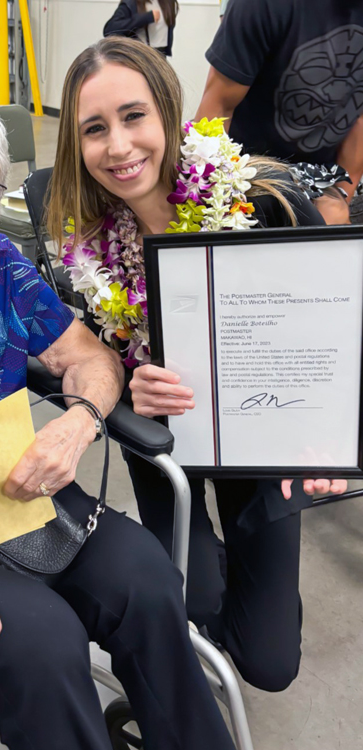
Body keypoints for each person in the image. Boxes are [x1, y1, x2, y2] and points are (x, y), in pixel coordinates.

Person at [0, 100, 236, 750]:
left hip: (11, 498)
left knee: (147, 578)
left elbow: (86, 356)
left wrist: (80, 420)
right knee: (43, 641)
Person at [48, 37, 347, 693]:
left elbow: (330, 330)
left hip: (262, 440)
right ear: (76, 143)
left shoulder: (263, 198)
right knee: (195, 604)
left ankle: (258, 602)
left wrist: (327, 438)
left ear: (167, 111)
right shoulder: (89, 245)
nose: (119, 147)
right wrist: (129, 385)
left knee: (268, 665)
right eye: (94, 129)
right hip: (166, 445)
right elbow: (100, 357)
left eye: (133, 116)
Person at [197, 0, 363, 201]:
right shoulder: (262, 5)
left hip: (323, 180)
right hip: (248, 177)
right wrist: (215, 204)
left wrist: (340, 196)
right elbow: (217, 110)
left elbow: (359, 116)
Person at [104, 0, 178, 57]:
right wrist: (145, 17)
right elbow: (110, 30)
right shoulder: (132, 2)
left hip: (160, 56)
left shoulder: (169, 2)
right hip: (140, 55)